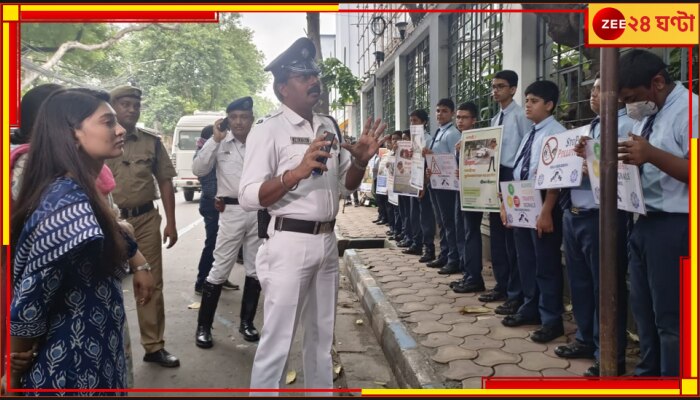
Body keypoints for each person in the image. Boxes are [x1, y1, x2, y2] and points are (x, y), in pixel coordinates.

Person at [238, 37, 387, 393]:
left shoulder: (328, 125)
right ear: (283, 87)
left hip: (326, 242)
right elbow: (247, 196)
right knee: (278, 341)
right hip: (288, 243)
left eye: (314, 74)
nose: (312, 81)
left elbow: (347, 187)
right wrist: (295, 173)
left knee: (321, 337)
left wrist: (362, 160)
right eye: (303, 76)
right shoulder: (268, 128)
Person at [8, 88, 153, 395]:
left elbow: (109, 226)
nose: (120, 129)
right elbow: (30, 301)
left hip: (97, 343)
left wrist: (140, 263)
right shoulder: (64, 207)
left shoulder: (81, 186)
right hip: (71, 361)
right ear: (72, 133)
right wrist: (15, 368)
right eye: (107, 121)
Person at [616, 50, 694, 377]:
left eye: (632, 98)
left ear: (657, 82)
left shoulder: (690, 110)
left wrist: (650, 154)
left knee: (670, 317)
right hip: (643, 222)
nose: (628, 106)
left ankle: (674, 378)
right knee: (644, 310)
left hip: (674, 226)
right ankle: (648, 374)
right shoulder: (649, 115)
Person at [559, 71, 634, 376]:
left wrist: (591, 168)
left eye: (601, 90)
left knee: (607, 286)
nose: (593, 95)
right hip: (575, 214)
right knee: (580, 283)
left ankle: (610, 353)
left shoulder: (626, 126)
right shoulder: (590, 126)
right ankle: (585, 338)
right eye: (592, 91)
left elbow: (625, 174)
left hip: (603, 217)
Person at [105, 86, 180, 368]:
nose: (132, 110)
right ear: (112, 107)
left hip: (146, 219)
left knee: (150, 282)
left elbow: (164, 181)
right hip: (108, 220)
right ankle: (107, 347)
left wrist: (171, 223)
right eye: (125, 104)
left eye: (136, 105)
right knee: (102, 282)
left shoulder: (151, 142)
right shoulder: (99, 138)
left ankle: (154, 345)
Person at [193, 97, 264, 347]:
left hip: (258, 211)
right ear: (227, 120)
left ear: (251, 119)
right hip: (231, 212)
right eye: (233, 117)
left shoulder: (261, 143)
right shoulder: (220, 143)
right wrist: (215, 139)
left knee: (255, 269)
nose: (238, 122)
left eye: (243, 117)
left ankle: (247, 323)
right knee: (220, 267)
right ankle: (203, 327)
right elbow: (199, 169)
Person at [500, 80, 566, 344]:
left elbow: (555, 177)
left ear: (549, 105)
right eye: (526, 100)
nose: (527, 105)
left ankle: (551, 319)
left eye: (534, 101)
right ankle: (531, 307)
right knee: (525, 259)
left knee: (546, 263)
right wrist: (507, 204)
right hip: (522, 198)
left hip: (543, 202)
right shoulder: (531, 133)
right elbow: (518, 169)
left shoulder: (557, 134)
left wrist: (547, 210)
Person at [481, 70, 530, 315]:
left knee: (513, 238)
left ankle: (515, 292)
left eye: (501, 86)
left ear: (512, 89)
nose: (495, 90)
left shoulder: (521, 116)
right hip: (495, 176)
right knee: (498, 235)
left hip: (512, 176)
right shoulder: (494, 119)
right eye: (494, 86)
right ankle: (501, 285)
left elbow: (525, 150)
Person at [193, 125, 239, 295]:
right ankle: (201, 282)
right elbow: (208, 181)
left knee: (223, 247)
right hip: (213, 205)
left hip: (219, 204)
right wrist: (220, 198)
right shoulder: (205, 154)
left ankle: (220, 277)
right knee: (213, 244)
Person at [422, 98, 462, 274]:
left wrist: (434, 156)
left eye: (444, 111)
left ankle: (454, 258)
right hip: (436, 182)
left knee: (449, 222)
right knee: (442, 221)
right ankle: (444, 254)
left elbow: (454, 159)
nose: (440, 114)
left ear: (452, 113)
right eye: (438, 111)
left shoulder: (452, 133)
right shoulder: (438, 132)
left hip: (447, 184)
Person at [450, 102, 485, 293]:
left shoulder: (481, 140)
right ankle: (467, 273)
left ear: (474, 120)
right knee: (461, 231)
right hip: (461, 191)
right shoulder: (461, 140)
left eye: (464, 118)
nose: (460, 121)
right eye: (458, 117)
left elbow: (483, 165)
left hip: (474, 193)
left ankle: (474, 277)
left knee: (471, 232)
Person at [401, 109, 436, 262]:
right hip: (413, 181)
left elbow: (429, 163)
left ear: (424, 122)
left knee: (425, 217)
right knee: (414, 215)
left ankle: (429, 248)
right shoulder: (414, 141)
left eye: (415, 121)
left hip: (424, 184)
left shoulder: (428, 139)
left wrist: (424, 184)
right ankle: (416, 244)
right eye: (411, 121)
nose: (412, 123)